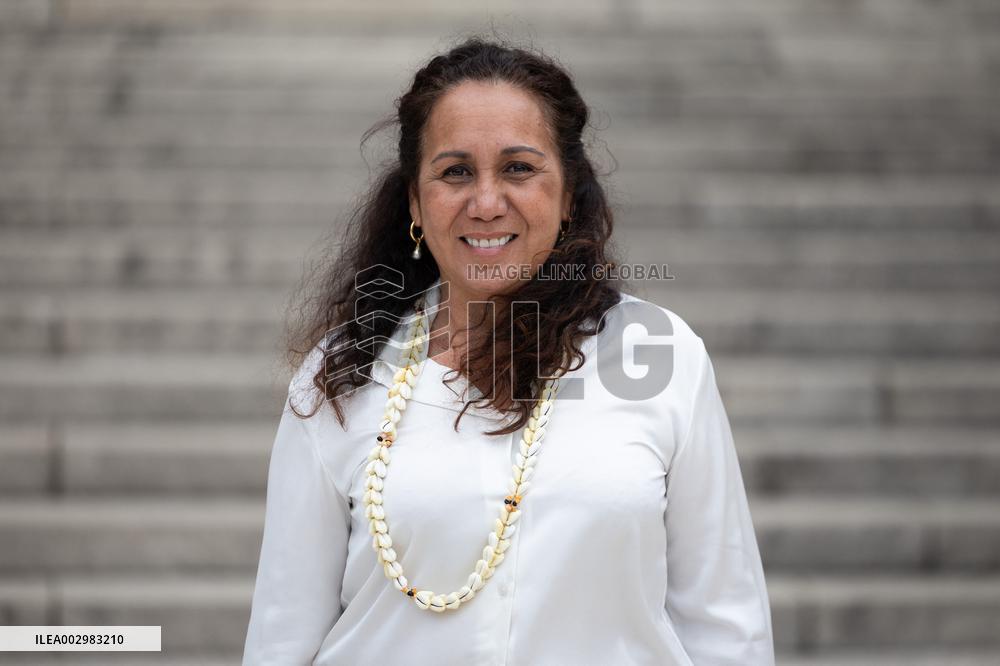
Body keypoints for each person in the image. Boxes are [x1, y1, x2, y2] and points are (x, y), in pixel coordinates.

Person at [242, 36, 774, 665]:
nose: (487, 203)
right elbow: (283, 634)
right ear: (415, 200)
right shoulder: (343, 373)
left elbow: (726, 625)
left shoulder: (660, 357)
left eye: (519, 168)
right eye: (455, 171)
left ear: (570, 192)